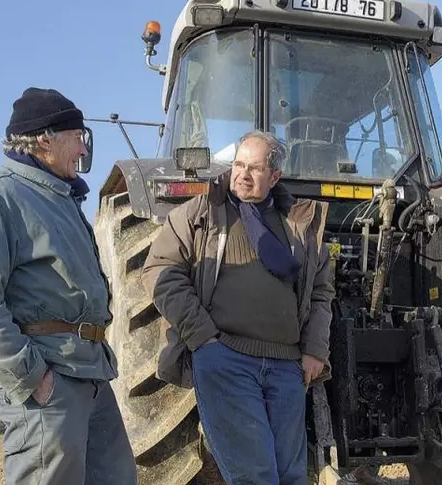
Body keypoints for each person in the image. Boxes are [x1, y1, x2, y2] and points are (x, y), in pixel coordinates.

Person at [0, 87, 137, 485]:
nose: (83, 151)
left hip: (90, 371)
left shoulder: (58, 197)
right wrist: (32, 377)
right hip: (49, 377)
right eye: (77, 138)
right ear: (46, 139)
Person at [142, 130, 335, 485]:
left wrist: (314, 350)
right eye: (239, 165)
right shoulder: (201, 213)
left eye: (255, 168)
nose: (242, 174)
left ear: (274, 176)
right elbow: (159, 272)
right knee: (255, 475)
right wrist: (203, 338)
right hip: (227, 359)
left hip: (287, 368)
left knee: (292, 476)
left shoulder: (299, 224)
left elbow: (321, 293)